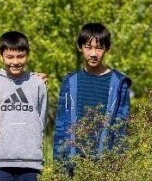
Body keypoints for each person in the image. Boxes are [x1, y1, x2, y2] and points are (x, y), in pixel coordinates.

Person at [52, 22, 132, 170]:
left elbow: (123, 126)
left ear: (107, 48)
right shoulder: (70, 82)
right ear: (80, 47)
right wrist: (59, 164)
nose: (93, 54)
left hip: (106, 162)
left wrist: (121, 163)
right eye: (88, 47)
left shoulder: (119, 83)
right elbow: (61, 125)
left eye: (99, 48)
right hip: (74, 160)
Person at [0, 30, 48, 181]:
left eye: (20, 56)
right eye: (10, 57)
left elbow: (42, 119)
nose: (15, 62)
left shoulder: (37, 84)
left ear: (27, 55)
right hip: (1, 162)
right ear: (1, 56)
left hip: (31, 162)